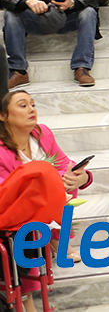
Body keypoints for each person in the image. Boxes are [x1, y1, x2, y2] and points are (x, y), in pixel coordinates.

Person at [0, 89, 94, 311]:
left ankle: (58, 240)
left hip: (42, 206)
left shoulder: (42, 134)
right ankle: (26, 298)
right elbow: (6, 190)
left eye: (33, 104)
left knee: (67, 180)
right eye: (23, 105)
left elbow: (63, 162)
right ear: (3, 115)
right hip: (15, 211)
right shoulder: (1, 150)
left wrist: (83, 177)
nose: (31, 109)